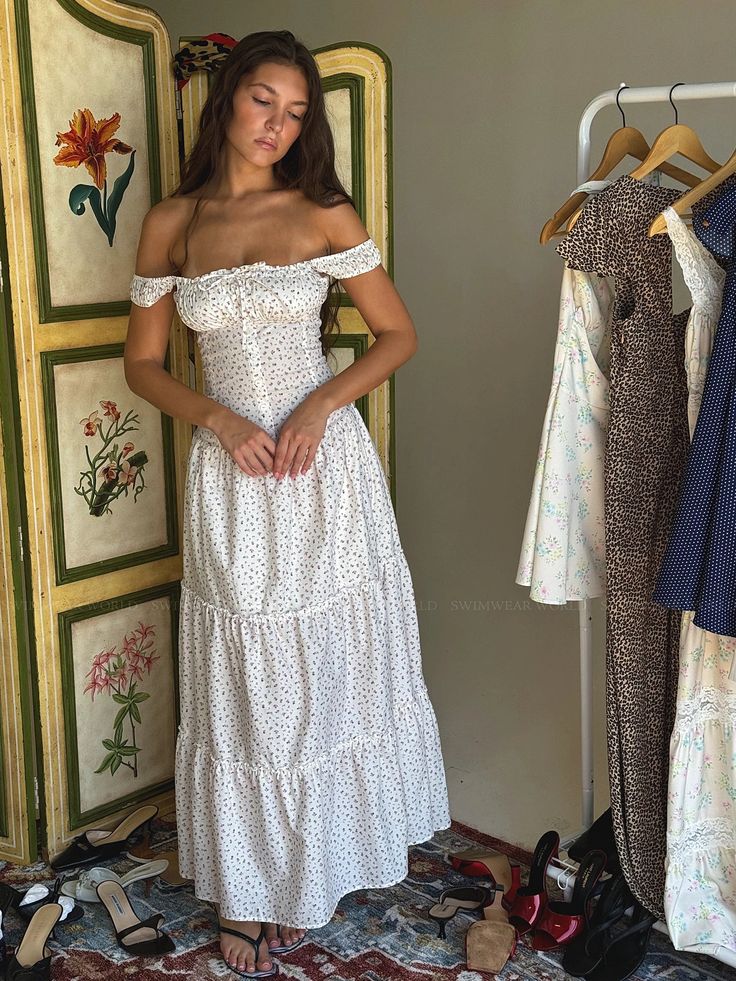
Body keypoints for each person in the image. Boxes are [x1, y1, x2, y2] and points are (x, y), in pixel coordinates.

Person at [125, 29, 450, 978]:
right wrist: (220, 422)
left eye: (298, 111)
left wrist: (316, 403)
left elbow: (396, 336)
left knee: (326, 660)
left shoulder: (321, 210)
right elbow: (143, 364)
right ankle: (251, 884)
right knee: (245, 675)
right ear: (227, 99)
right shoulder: (171, 223)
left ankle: (323, 856)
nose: (278, 124)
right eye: (264, 100)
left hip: (319, 465)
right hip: (232, 472)